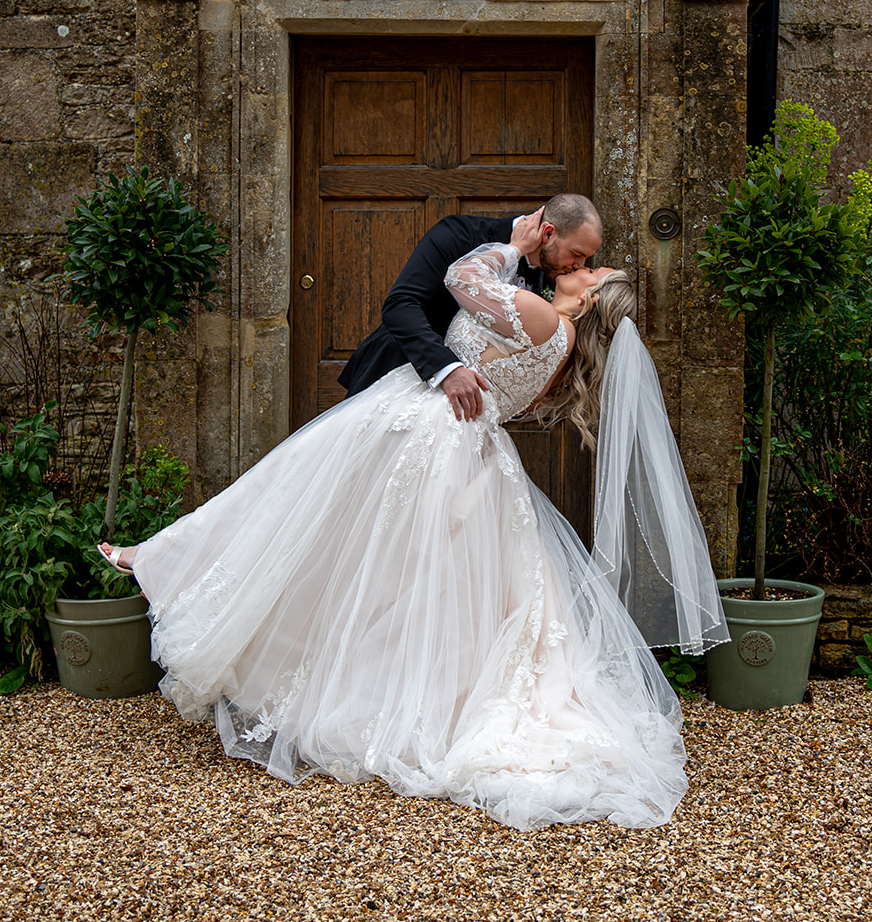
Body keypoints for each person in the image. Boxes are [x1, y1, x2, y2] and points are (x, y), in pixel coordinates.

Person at [98, 215, 727, 831]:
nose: (580, 268)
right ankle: (392, 690)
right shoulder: (560, 347)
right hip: (465, 448)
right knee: (403, 577)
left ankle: (172, 566)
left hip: (430, 436)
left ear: (589, 302)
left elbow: (459, 276)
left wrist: (510, 248)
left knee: (299, 511)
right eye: (582, 258)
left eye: (592, 271)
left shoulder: (541, 317)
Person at [338, 193, 603, 421]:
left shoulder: (554, 280)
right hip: (394, 381)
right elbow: (400, 305)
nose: (579, 265)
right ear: (548, 233)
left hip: (461, 422)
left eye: (586, 260)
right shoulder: (457, 234)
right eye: (577, 254)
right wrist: (446, 370)